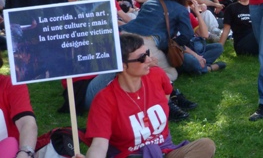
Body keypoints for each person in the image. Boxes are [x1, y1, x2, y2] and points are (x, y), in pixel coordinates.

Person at [77, 33, 216, 158]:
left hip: (165, 151)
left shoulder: (157, 75)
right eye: (142, 57)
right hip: (131, 155)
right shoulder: (105, 99)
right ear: (122, 66)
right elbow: (99, 145)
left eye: (147, 53)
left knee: (206, 145)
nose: (150, 59)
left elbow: (166, 95)